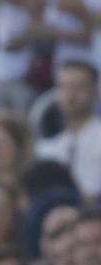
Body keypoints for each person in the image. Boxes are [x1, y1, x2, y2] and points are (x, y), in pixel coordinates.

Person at [35, 61, 101, 202]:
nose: (71, 94)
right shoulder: (52, 147)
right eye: (64, 87)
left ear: (95, 92)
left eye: (79, 87)